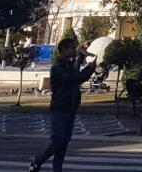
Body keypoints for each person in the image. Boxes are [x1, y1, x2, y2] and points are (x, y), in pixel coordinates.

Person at [29, 37, 96, 172]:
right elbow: (75, 79)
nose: (74, 50)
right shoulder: (57, 67)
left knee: (63, 144)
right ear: (64, 50)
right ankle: (38, 161)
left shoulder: (68, 65)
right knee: (57, 141)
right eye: (71, 48)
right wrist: (89, 69)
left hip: (70, 109)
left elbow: (75, 71)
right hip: (60, 108)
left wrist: (81, 59)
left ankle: (56, 169)